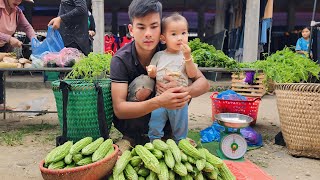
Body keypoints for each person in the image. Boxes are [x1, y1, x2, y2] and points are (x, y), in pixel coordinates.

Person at [110, 0, 209, 149]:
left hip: (168, 113)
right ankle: (132, 137)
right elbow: (119, 110)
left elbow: (203, 83)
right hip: (133, 124)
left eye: (154, 27)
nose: (148, 34)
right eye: (141, 27)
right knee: (145, 83)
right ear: (131, 29)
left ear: (161, 30)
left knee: (184, 80)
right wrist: (160, 101)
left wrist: (181, 92)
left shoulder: (172, 50)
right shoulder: (120, 60)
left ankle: (170, 135)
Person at [146, 13, 198, 143]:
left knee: (180, 126)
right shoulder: (159, 55)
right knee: (155, 122)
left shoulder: (186, 56)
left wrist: (188, 57)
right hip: (160, 98)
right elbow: (152, 72)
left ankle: (180, 143)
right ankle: (155, 141)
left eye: (183, 33)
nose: (179, 38)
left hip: (180, 99)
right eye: (174, 34)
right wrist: (152, 71)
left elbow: (192, 74)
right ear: (163, 39)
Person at [0, 0, 36, 110]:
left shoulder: (18, 12)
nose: (18, 1)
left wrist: (34, 40)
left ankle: (0, 104)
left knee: (0, 75)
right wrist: (9, 38)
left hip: (3, 47)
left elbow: (27, 27)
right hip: (6, 41)